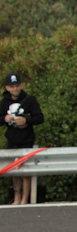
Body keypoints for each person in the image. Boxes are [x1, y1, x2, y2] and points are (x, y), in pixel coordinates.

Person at [2, 73, 44, 205]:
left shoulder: (29, 100)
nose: (15, 89)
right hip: (12, 140)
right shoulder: (4, 103)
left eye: (17, 86)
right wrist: (4, 119)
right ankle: (17, 197)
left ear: (21, 85)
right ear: (7, 88)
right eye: (12, 86)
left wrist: (26, 120)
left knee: (26, 170)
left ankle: (25, 199)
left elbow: (40, 118)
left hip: (27, 140)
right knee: (14, 171)